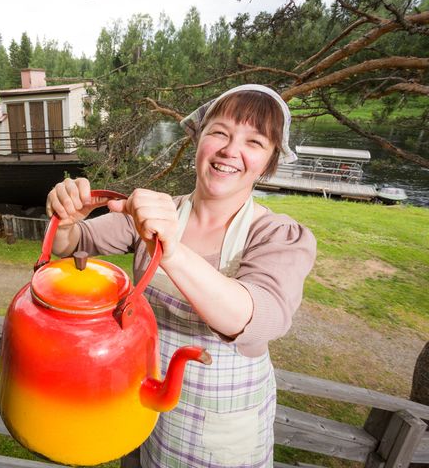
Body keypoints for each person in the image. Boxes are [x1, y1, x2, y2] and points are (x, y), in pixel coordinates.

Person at [45, 84, 317, 468]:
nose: (229, 150)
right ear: (198, 139)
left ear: (269, 161)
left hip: (219, 427)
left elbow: (254, 317)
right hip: (145, 399)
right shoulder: (158, 211)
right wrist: (67, 217)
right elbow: (73, 242)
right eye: (219, 132)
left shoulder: (277, 235)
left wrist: (171, 250)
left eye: (254, 142)